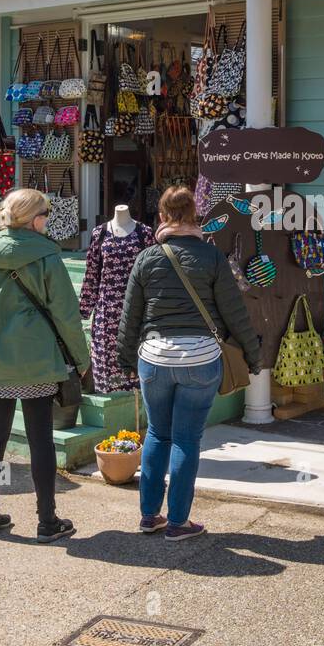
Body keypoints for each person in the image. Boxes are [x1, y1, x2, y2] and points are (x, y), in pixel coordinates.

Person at [118, 186, 262, 541]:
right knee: (185, 440)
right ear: (195, 214)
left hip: (154, 358)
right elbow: (234, 312)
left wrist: (124, 357)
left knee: (156, 434)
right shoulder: (210, 257)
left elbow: (130, 315)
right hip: (200, 357)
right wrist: (254, 355)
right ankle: (179, 522)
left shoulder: (147, 258)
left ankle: (149, 516)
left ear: (163, 215)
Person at [0, 188, 90, 543]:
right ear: (34, 218)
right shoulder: (47, 255)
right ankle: (47, 520)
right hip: (35, 359)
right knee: (40, 439)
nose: (47, 220)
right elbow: (66, 314)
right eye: (45, 214)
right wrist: (81, 359)